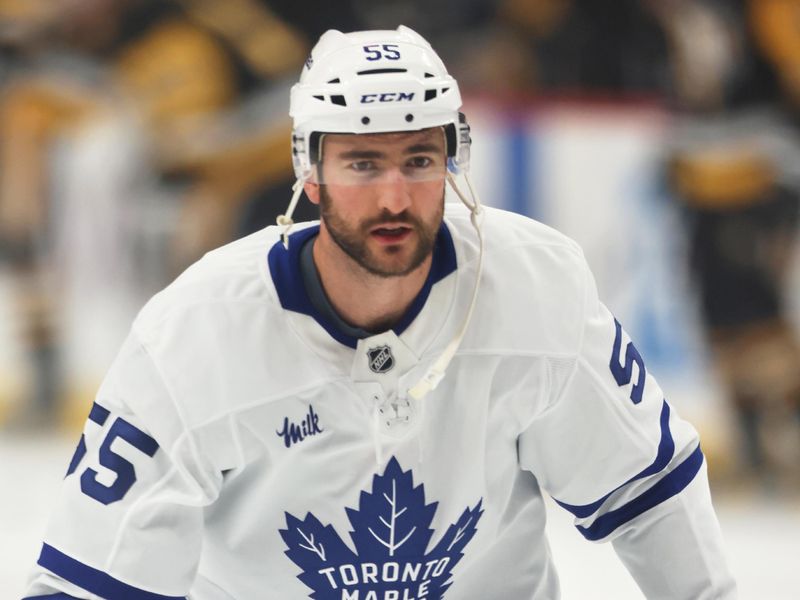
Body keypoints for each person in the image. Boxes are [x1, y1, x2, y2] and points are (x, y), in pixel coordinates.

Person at [23, 26, 736, 599]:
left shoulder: (536, 289)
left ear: (454, 159)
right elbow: (85, 579)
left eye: (420, 160)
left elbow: (649, 489)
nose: (395, 197)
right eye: (363, 164)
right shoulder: (196, 332)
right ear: (310, 169)